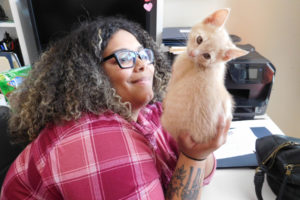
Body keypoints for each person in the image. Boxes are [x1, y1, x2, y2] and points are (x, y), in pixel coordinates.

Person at [0, 17, 230, 200]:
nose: (142, 65)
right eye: (125, 57)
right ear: (89, 75)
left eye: (143, 54)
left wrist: (199, 148)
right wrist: (193, 157)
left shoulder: (148, 113)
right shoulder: (96, 140)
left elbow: (204, 174)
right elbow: (194, 165)